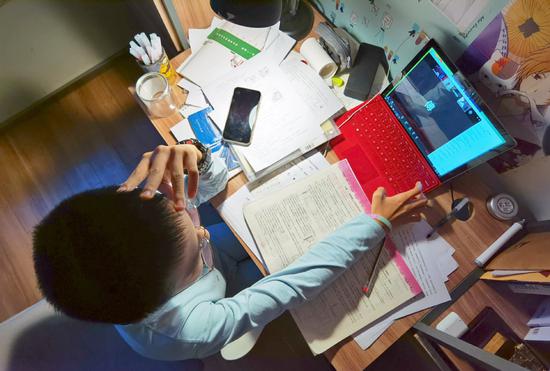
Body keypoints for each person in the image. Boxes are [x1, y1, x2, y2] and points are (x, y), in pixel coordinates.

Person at [33, 141, 429, 360]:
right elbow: (292, 286)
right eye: (195, 232)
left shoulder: (134, 216)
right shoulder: (189, 330)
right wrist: (373, 224)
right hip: (221, 295)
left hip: (212, 273)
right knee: (289, 267)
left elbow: (206, 189)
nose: (195, 217)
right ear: (175, 287)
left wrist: (197, 157)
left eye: (176, 207)